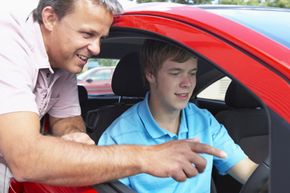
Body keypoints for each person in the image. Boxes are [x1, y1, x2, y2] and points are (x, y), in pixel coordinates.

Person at [0, 1, 227, 193]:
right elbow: (25, 158)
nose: (97, 49)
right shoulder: (8, 45)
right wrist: (147, 157)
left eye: (101, 38)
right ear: (50, 18)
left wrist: (75, 137)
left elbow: (66, 121)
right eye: (88, 34)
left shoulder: (64, 63)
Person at [98, 39, 258, 193]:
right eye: (176, 73)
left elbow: (248, 172)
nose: (187, 83)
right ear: (151, 75)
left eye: (192, 73)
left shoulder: (204, 121)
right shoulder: (117, 137)